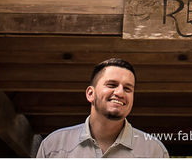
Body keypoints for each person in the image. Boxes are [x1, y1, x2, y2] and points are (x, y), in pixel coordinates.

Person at [36, 58, 169, 158]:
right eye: (112, 85)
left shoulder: (154, 151)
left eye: (127, 88)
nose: (120, 93)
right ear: (90, 94)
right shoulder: (53, 145)